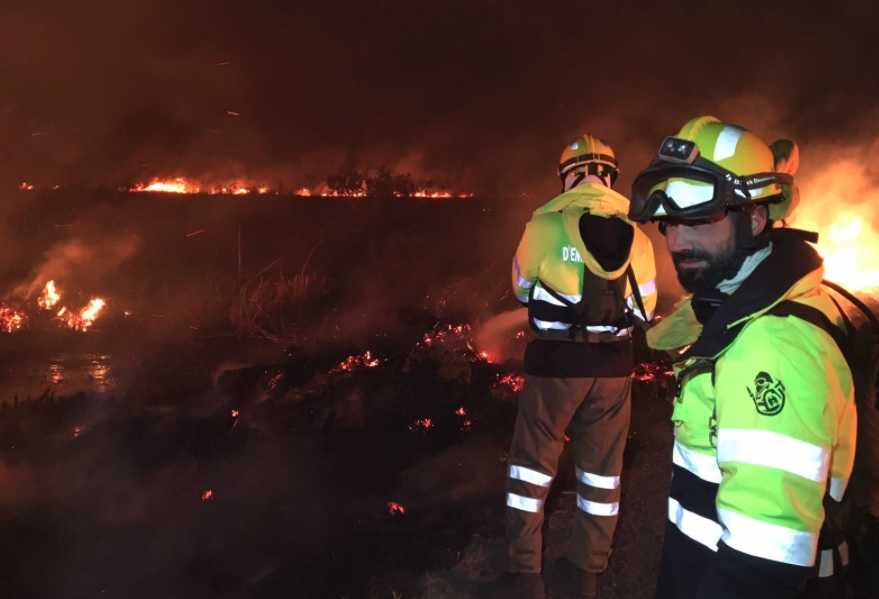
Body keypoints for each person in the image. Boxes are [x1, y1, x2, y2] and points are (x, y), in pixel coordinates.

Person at [628, 115, 857, 598]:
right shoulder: (735, 314)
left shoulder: (772, 347)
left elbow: (761, 568)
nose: (675, 240)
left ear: (754, 218)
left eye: (699, 217)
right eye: (668, 221)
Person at [494, 134, 657, 598]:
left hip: (555, 367)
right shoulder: (638, 235)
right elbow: (646, 307)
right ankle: (586, 571)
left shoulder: (544, 225)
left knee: (531, 469)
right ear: (611, 175)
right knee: (602, 474)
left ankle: (524, 575)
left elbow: (522, 289)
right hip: (613, 372)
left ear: (568, 175)